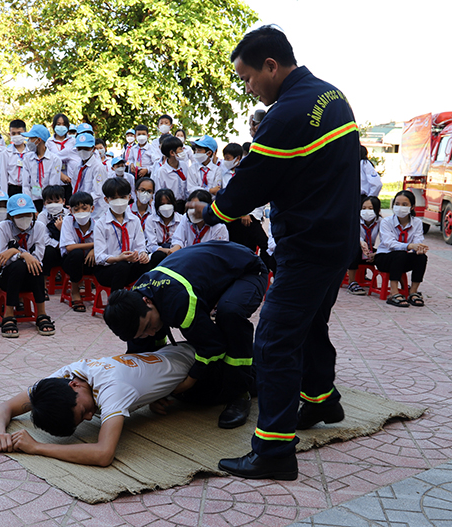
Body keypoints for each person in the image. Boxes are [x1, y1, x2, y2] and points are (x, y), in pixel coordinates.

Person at [194, 25, 360, 480]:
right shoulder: (331, 94)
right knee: (310, 325)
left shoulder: (286, 113)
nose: (249, 87)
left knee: (271, 341)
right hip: (337, 240)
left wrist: (212, 210)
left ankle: (273, 451)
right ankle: (322, 400)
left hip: (307, 246)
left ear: (271, 65)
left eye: (248, 77)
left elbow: (248, 186)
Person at [104, 241, 268, 429]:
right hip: (209, 268)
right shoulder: (133, 307)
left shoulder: (178, 301)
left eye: (149, 325)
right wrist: (153, 393)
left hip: (246, 268)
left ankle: (240, 393)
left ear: (147, 301)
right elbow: (141, 354)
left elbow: (213, 345)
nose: (151, 332)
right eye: (142, 333)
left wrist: (186, 384)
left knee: (230, 313)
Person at [0, 343, 198, 466]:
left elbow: (103, 454)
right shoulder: (67, 376)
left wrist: (37, 447)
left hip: (202, 370)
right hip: (174, 350)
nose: (90, 417)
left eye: (82, 412)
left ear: (74, 387)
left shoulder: (112, 388)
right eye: (83, 419)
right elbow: (4, 408)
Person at [0, 193, 56, 338]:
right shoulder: (4, 227)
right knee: (18, 266)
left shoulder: (39, 227)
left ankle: (42, 314)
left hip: (31, 277)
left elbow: (38, 258)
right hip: (7, 276)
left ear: (34, 214)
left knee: (35, 267)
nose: (24, 219)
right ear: (10, 217)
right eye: (19, 215)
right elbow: (3, 258)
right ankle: (9, 314)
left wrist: (16, 252)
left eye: (27, 214)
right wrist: (22, 254)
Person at [93, 177, 151, 293]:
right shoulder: (101, 224)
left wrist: (143, 254)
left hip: (129, 266)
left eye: (122, 197)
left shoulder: (134, 220)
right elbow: (99, 257)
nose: (119, 201)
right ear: (106, 199)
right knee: (122, 266)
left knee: (150, 263)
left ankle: (143, 300)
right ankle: (116, 305)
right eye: (114, 198)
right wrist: (118, 258)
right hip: (108, 269)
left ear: (129, 197)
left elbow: (140, 246)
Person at [374, 191, 428, 307]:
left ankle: (413, 292)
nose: (400, 207)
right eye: (397, 204)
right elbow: (389, 243)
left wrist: (419, 248)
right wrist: (409, 246)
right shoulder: (386, 222)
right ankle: (394, 292)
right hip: (385, 258)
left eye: (405, 204)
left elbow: (418, 239)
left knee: (421, 257)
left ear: (412, 207)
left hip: (403, 259)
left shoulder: (417, 223)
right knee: (400, 254)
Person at [60, 191, 95, 312]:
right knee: (77, 253)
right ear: (71, 211)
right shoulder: (67, 222)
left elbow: (105, 245)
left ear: (92, 208)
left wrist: (95, 250)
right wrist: (94, 245)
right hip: (71, 262)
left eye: (84, 208)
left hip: (89, 261)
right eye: (77, 209)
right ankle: (75, 291)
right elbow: (69, 247)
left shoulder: (97, 224)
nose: (81, 212)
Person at [22, 125, 63, 209]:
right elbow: (26, 185)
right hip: (32, 201)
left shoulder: (54, 160)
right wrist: (31, 207)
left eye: (30, 139)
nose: (28, 141)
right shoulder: (27, 159)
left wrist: (48, 205)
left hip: (48, 202)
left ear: (39, 140)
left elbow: (53, 185)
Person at [346, 196, 381, 295]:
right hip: (357, 249)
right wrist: (361, 243)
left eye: (370, 209)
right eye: (364, 208)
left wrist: (375, 253)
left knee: (386, 254)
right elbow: (353, 236)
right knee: (355, 249)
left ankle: (398, 283)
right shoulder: (355, 220)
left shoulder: (380, 222)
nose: (367, 211)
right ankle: (352, 282)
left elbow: (385, 240)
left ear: (377, 210)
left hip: (370, 251)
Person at [152, 136, 190, 213]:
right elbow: (159, 192)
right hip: (170, 206)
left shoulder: (184, 166)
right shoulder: (162, 172)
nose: (183, 152)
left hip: (185, 204)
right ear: (172, 153)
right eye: (180, 149)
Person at [146, 188, 182, 267]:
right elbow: (151, 245)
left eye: (168, 203)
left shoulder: (181, 219)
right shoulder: (151, 220)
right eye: (162, 204)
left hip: (176, 251)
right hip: (159, 253)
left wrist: (173, 250)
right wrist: (166, 251)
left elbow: (182, 241)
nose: (166, 207)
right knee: (158, 256)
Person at [37, 185, 66, 279]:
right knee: (47, 251)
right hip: (54, 248)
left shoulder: (69, 214)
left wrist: (63, 229)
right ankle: (43, 284)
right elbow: (43, 237)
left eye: (57, 202)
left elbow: (74, 236)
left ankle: (77, 283)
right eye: (49, 202)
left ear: (63, 201)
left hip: (67, 248)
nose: (53, 204)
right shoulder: (42, 216)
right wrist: (58, 245)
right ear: (44, 204)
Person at [4, 119, 29, 196]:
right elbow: (4, 176)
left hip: (28, 188)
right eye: (13, 133)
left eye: (19, 133)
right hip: (12, 188)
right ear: (9, 134)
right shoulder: (6, 153)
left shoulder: (31, 152)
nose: (16, 136)